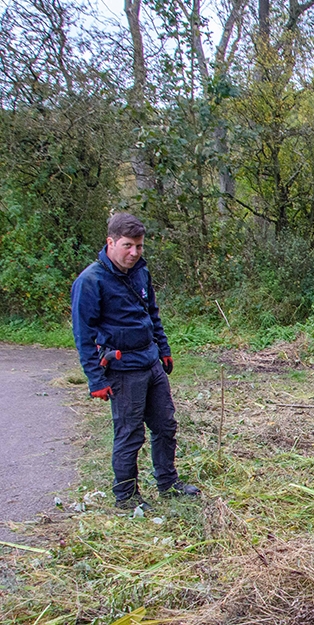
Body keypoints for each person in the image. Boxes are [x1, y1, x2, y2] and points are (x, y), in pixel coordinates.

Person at [71, 213, 200, 510]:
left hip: (150, 362)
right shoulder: (90, 281)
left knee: (166, 425)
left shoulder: (140, 271)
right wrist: (96, 379)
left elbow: (151, 313)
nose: (134, 253)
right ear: (110, 242)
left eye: (139, 246)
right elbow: (83, 335)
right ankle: (126, 496)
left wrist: (163, 349)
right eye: (128, 246)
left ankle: (168, 483)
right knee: (130, 435)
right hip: (123, 369)